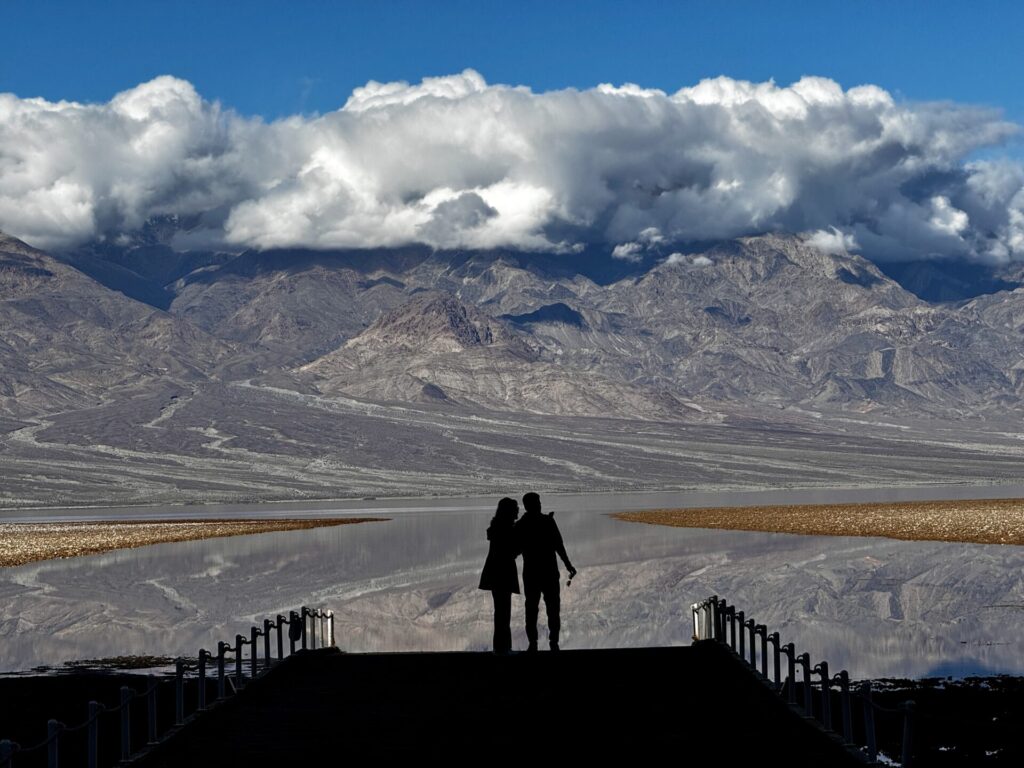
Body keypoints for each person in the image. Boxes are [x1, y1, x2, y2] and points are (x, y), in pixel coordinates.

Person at [514, 492, 577, 652]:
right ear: (534, 505)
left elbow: (515, 550)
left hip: (531, 574)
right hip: (549, 572)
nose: (540, 505)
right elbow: (559, 546)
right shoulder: (547, 521)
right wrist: (568, 565)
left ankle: (533, 643)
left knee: (531, 609)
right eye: (538, 502)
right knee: (553, 608)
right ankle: (553, 642)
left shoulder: (522, 525)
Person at [478, 497, 521, 654]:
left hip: (495, 573)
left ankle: (501, 647)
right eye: (515, 508)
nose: (518, 510)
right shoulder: (505, 529)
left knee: (501, 611)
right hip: (502, 574)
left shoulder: (498, 527)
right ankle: (503, 649)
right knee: (504, 612)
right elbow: (511, 551)